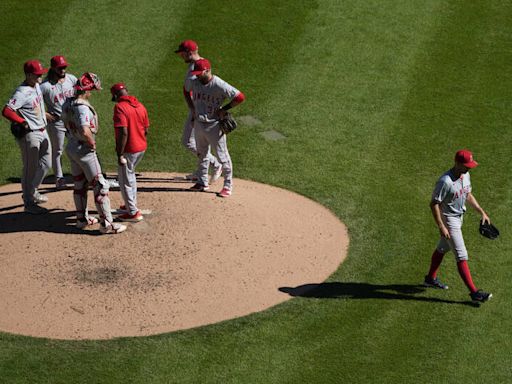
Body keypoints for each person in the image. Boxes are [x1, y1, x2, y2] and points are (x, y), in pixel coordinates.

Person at [61, 72, 126, 234]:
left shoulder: (67, 103)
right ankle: (107, 225)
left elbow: (65, 123)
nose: (92, 93)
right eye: (92, 90)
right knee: (101, 185)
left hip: (71, 147)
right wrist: (91, 142)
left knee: (79, 184)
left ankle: (81, 219)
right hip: (84, 149)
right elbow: (84, 130)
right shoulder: (82, 107)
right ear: (86, 90)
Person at [424, 149, 492, 303]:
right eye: (466, 165)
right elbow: (434, 204)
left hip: (459, 217)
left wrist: (482, 212)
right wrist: (441, 226)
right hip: (449, 220)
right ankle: (474, 292)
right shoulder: (445, 181)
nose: (469, 168)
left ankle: (430, 278)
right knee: (461, 255)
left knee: (443, 248)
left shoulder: (466, 175)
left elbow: (467, 194)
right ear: (457, 163)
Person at [184, 58, 245, 197]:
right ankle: (202, 182)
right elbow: (185, 89)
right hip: (199, 123)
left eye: (200, 73)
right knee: (201, 154)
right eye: (196, 73)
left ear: (207, 70)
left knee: (222, 156)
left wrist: (225, 108)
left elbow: (240, 97)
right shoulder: (195, 81)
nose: (197, 75)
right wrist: (192, 108)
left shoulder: (219, 84)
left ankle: (228, 186)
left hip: (214, 125)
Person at [2, 60, 52, 214]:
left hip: (43, 131)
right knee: (29, 169)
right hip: (30, 135)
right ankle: (28, 202)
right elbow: (7, 111)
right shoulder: (21, 92)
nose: (40, 77)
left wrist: (45, 115)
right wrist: (21, 121)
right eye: (37, 74)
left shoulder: (36, 85)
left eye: (41, 73)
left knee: (46, 164)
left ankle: (32, 190)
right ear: (29, 75)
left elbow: (36, 106)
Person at [175, 40, 222, 183]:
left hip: (203, 111)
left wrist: (198, 111)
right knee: (192, 141)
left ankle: (215, 164)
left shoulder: (201, 67)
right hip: (195, 110)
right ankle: (201, 171)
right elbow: (185, 89)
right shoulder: (192, 66)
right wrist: (192, 108)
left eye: (182, 54)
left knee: (189, 141)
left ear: (189, 53)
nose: (180, 56)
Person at [110, 83, 149, 222]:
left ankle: (132, 212)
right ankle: (130, 204)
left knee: (124, 180)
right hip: (141, 148)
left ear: (115, 96)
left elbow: (123, 132)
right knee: (130, 175)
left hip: (129, 149)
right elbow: (146, 129)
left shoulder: (120, 107)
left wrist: (120, 153)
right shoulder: (140, 105)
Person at [40, 55, 77, 189]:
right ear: (53, 68)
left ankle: (80, 173)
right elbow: (34, 101)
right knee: (58, 151)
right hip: (57, 122)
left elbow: (81, 91)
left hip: (72, 119)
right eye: (60, 68)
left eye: (64, 67)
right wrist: (44, 113)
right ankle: (59, 179)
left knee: (78, 144)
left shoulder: (71, 79)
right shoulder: (45, 86)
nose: (63, 70)